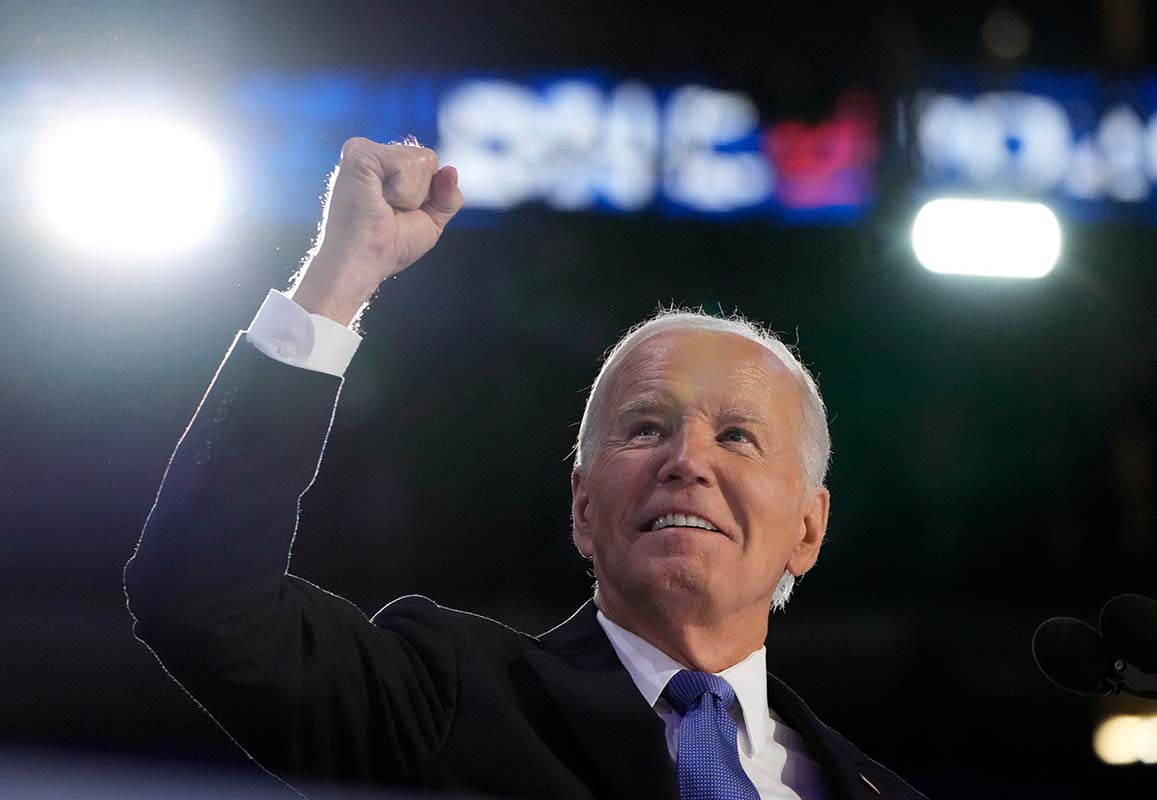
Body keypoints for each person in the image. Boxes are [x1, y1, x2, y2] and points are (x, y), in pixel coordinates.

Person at [124, 137, 928, 799]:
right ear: (582, 508)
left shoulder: (876, 790)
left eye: (738, 438)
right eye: (646, 428)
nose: (686, 461)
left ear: (809, 528)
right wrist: (345, 271)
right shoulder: (449, 699)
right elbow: (200, 597)